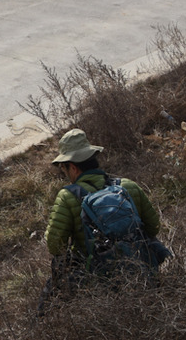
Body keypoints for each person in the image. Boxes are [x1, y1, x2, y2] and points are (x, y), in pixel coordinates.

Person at [40, 129, 165, 312]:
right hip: (144, 270)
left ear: (73, 167)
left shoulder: (67, 197)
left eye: (63, 168)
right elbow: (153, 227)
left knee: (48, 300)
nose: (64, 172)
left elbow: (55, 246)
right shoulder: (127, 186)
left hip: (98, 281)